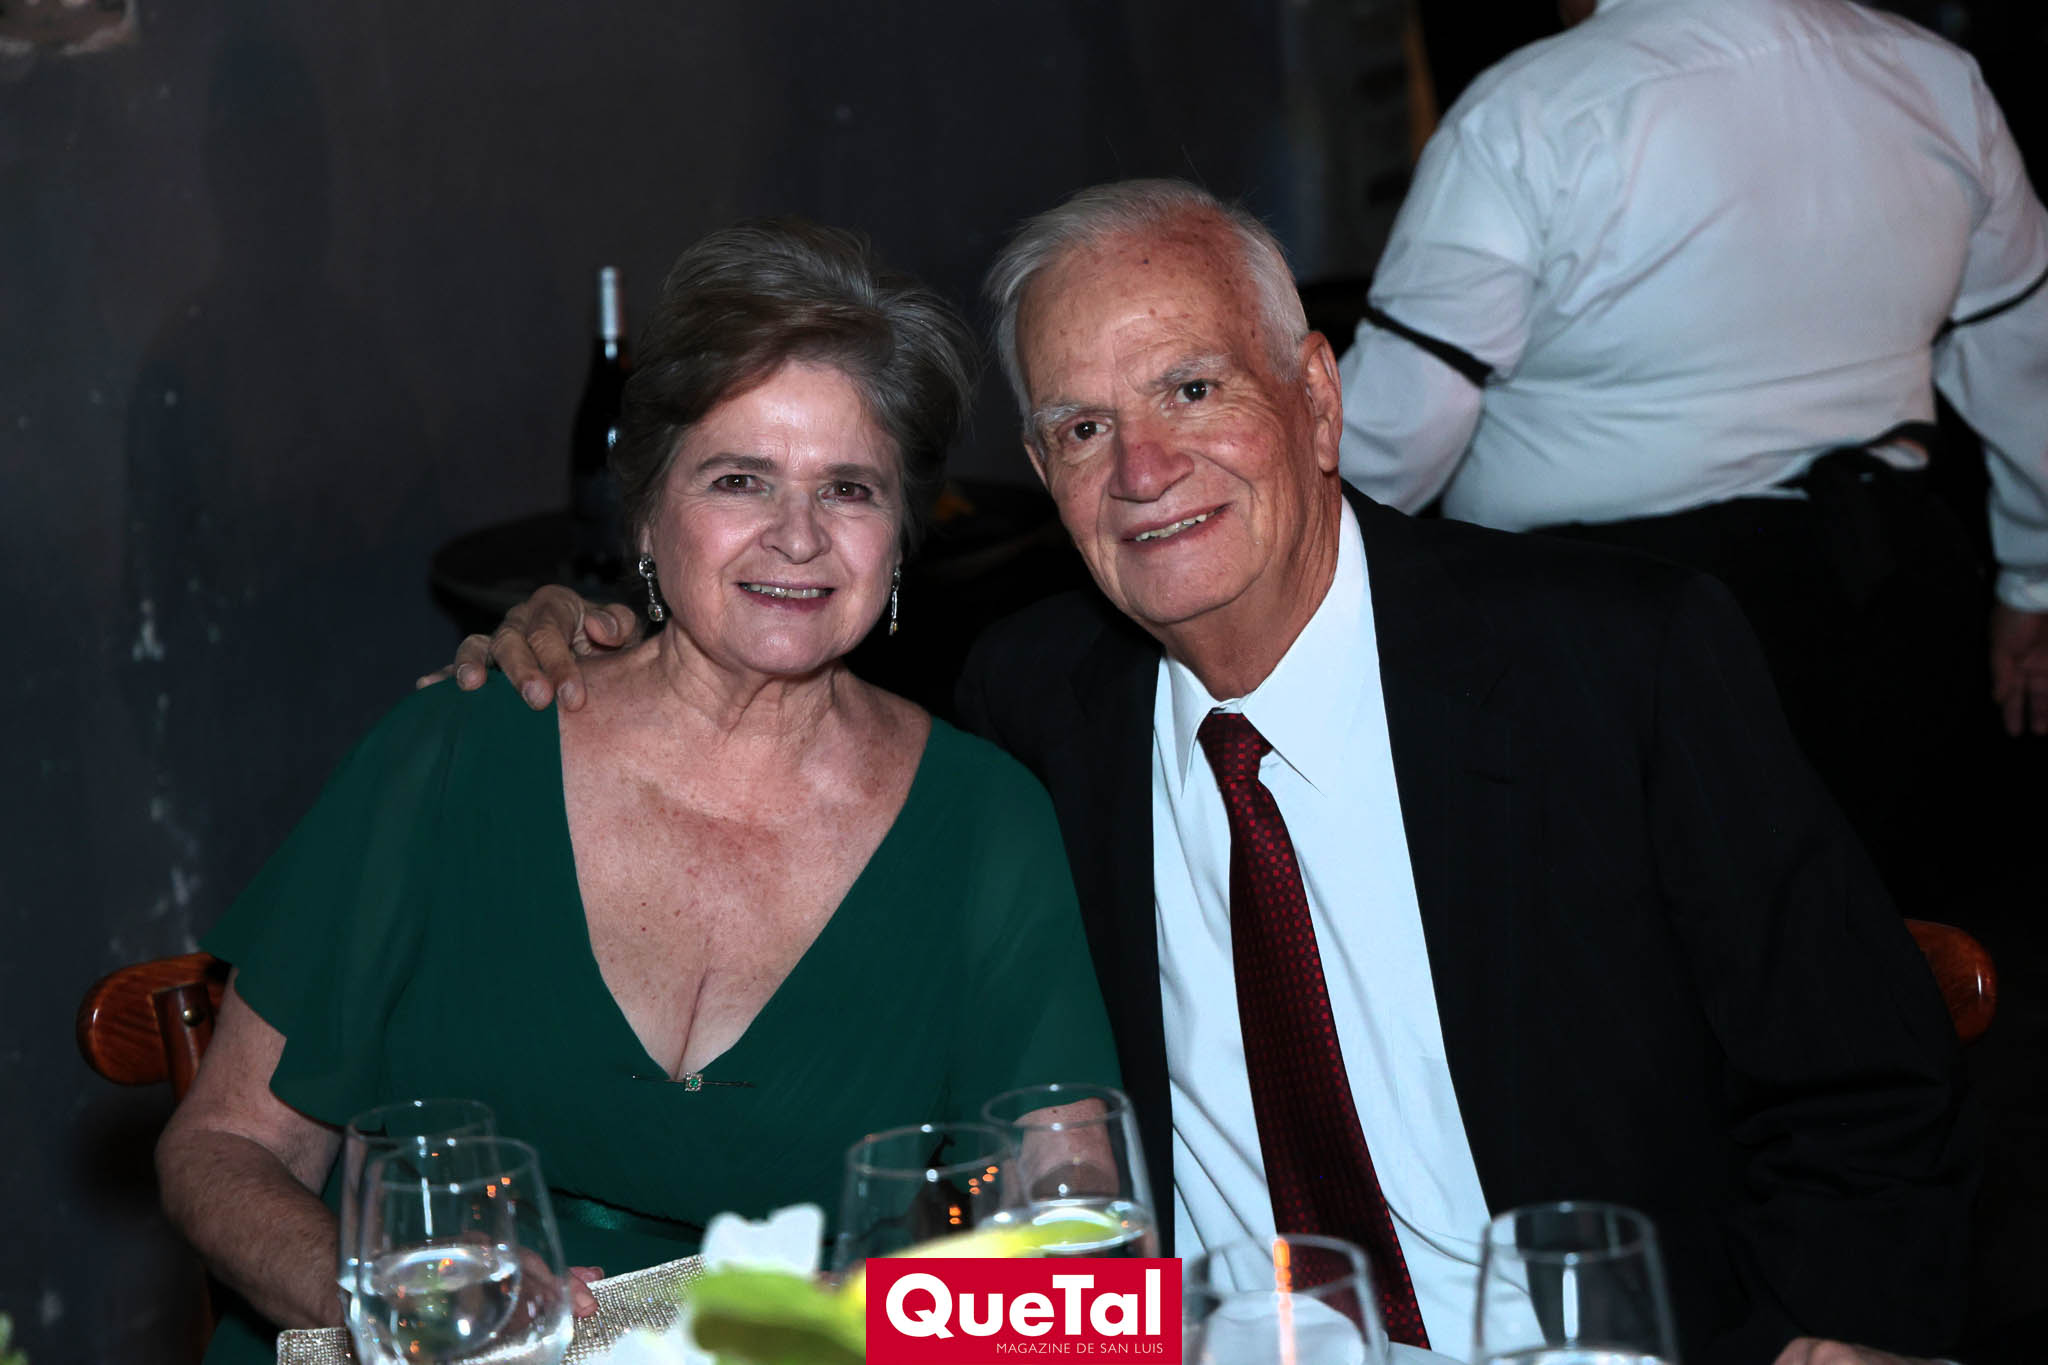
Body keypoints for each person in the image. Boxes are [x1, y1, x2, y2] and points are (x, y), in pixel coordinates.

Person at [458, 182, 1973, 1365]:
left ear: (1315, 397)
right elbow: (775, 717)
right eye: (1082, 427)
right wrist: (601, 646)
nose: (1142, 470)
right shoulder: (1029, 709)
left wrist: (1837, 1328)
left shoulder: (1610, 668)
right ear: (1042, 477)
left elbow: (1865, 1081)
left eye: (1192, 390)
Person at [155, 219, 1119, 1365]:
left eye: (848, 489)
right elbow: (223, 1149)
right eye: (739, 479)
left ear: (900, 537)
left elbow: (1081, 1265)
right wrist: (393, 1315)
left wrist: (826, 1331)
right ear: (648, 515)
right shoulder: (454, 753)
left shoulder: (981, 827)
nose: (797, 537)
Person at [1336, 0, 2048, 920]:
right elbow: (2024, 364)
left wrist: (1272, 580)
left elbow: (1400, 428)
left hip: (1608, 638)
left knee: (1624, 972)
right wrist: (2033, 579)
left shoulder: (1531, 111)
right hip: (1886, 607)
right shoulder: (1935, 79)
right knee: (1877, 955)